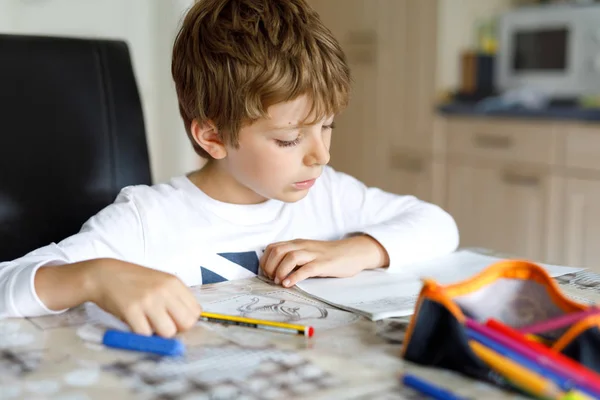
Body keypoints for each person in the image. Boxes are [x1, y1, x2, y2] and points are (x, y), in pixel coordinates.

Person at [0, 0, 459, 337]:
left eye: (327, 126)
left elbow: (439, 225)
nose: (321, 155)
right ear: (213, 137)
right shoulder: (146, 219)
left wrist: (355, 250)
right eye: (289, 139)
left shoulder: (330, 193)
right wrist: (94, 275)